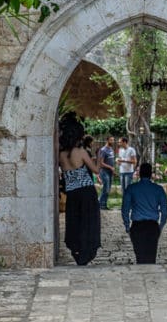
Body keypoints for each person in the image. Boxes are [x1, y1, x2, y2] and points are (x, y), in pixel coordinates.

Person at [58, 113, 101, 265]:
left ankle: (76, 250)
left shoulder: (60, 155)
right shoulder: (81, 152)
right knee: (88, 222)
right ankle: (87, 251)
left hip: (72, 193)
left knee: (75, 222)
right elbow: (95, 170)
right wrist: (99, 159)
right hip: (86, 192)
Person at [121, 162, 167, 264]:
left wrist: (127, 226)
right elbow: (165, 212)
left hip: (137, 227)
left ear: (139, 173)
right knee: (151, 258)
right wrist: (160, 227)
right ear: (151, 174)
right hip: (152, 226)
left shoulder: (131, 188)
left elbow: (125, 210)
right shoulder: (158, 189)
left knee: (140, 257)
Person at [96, 136, 116, 210]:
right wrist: (110, 167)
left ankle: (103, 204)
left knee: (108, 189)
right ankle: (100, 204)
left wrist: (113, 170)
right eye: (111, 140)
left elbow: (111, 161)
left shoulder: (111, 149)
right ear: (107, 140)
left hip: (110, 172)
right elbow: (101, 163)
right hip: (104, 172)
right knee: (106, 189)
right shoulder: (103, 150)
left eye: (113, 140)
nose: (113, 141)